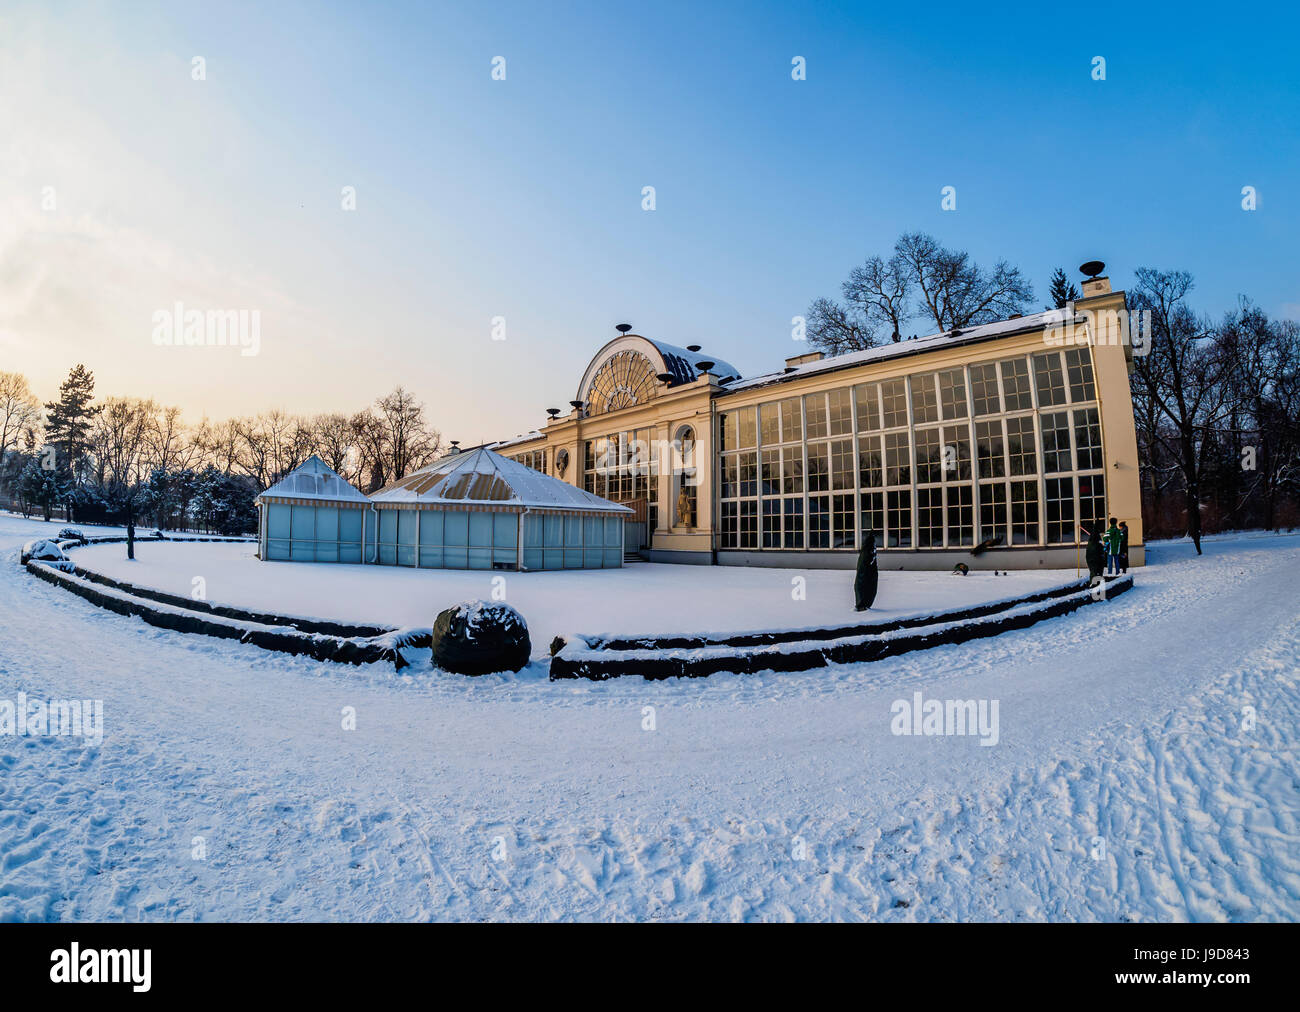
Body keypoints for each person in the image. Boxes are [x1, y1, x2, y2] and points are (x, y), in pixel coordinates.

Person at [855, 531, 879, 611]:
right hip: (866, 573)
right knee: (864, 586)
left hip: (868, 572)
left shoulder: (869, 550)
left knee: (868, 586)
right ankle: (862, 604)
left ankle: (864, 603)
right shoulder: (868, 550)